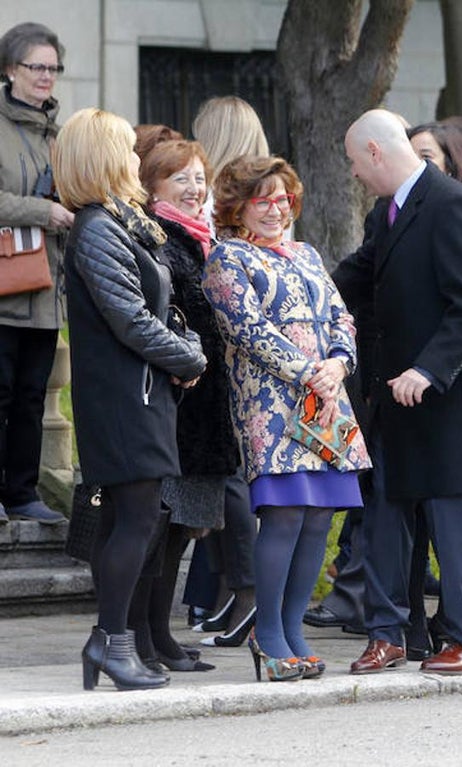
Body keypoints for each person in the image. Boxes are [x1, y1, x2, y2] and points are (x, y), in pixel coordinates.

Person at [338, 109, 462, 676]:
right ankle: (387, 632)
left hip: (448, 398)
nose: (354, 175)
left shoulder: (452, 205)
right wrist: (300, 284)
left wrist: (429, 370)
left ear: (374, 152)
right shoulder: (385, 213)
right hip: (395, 396)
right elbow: (358, 274)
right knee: (387, 516)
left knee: (452, 521)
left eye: (353, 163)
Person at [202, 155, 370, 681]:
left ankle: (294, 630)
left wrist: (339, 364)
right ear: (238, 206)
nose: (275, 209)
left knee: (320, 517)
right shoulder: (227, 258)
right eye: (262, 199)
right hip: (270, 404)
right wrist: (308, 371)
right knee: (286, 512)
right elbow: (246, 329)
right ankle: (266, 633)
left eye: (283, 199)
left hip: (326, 401)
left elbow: (341, 316)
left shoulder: (307, 253)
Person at [56, 107, 206, 690]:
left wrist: (185, 342)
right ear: (101, 158)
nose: (133, 160)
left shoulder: (123, 223)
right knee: (137, 518)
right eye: (123, 148)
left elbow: (157, 309)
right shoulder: (97, 228)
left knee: (135, 517)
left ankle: (113, 643)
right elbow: (131, 321)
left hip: (139, 391)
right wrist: (189, 357)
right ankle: (110, 641)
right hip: (124, 398)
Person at [122, 136, 235, 674]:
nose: (194, 189)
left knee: (176, 535)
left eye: (198, 178)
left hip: (203, 406)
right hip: (173, 404)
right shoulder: (157, 238)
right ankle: (141, 637)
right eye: (180, 179)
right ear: (152, 185)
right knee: (157, 530)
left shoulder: (201, 240)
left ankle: (160, 634)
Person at [185, 95, 269, 644]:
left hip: (220, 350)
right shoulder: (267, 194)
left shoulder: (214, 203)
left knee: (227, 475)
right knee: (228, 475)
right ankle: (228, 593)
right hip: (255, 350)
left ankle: (245, 592)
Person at [0, 22, 71, 526]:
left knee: (29, 397)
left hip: (47, 290)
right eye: (36, 67)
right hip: (3, 288)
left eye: (53, 67)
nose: (47, 76)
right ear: (10, 69)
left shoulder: (61, 134)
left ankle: (22, 493)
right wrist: (41, 212)